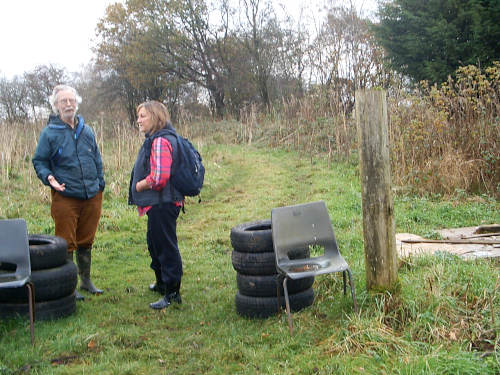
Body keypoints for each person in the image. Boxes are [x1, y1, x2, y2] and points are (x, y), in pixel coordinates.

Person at [32, 85, 105, 301]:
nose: (68, 104)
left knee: (87, 238)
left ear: (77, 103)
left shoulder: (87, 130)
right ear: (55, 106)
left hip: (92, 194)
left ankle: (86, 281)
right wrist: (49, 178)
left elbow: (97, 158)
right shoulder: (49, 133)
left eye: (71, 100)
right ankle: (69, 285)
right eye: (63, 101)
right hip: (65, 195)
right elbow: (39, 161)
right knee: (66, 241)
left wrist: (100, 183)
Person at [128, 100, 184, 310]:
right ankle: (162, 283)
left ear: (155, 117)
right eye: (138, 115)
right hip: (159, 204)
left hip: (164, 203)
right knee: (154, 243)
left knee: (166, 247)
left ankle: (172, 293)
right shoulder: (157, 138)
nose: (139, 120)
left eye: (143, 115)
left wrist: (140, 186)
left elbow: (159, 178)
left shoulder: (160, 141)